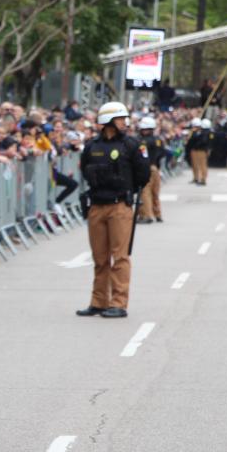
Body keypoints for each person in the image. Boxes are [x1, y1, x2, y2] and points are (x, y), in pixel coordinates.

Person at [75, 101, 150, 319]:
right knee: (99, 258)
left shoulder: (131, 145)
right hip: (97, 205)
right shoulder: (91, 146)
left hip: (119, 205)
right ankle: (98, 302)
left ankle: (118, 302)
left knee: (120, 257)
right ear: (108, 121)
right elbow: (85, 170)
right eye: (121, 119)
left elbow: (143, 175)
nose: (124, 123)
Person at [136, 116, 164, 224]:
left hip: (146, 167)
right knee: (155, 192)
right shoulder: (158, 140)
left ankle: (146, 215)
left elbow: (142, 155)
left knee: (145, 192)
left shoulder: (142, 142)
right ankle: (158, 214)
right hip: (155, 167)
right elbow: (162, 153)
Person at [185, 118, 210, 185]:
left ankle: (203, 179)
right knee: (194, 165)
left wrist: (195, 134)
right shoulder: (194, 132)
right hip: (194, 150)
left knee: (202, 165)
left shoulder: (203, 132)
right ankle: (196, 177)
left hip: (201, 150)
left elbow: (203, 141)